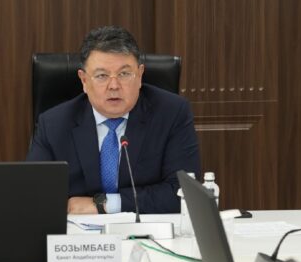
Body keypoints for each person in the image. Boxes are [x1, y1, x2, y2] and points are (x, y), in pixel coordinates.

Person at [27, 25, 200, 214]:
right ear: (84, 81)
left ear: (140, 75)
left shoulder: (171, 113)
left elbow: (183, 194)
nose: (114, 86)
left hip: (145, 229)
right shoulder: (54, 124)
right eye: (101, 76)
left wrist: (104, 205)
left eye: (124, 74)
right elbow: (34, 196)